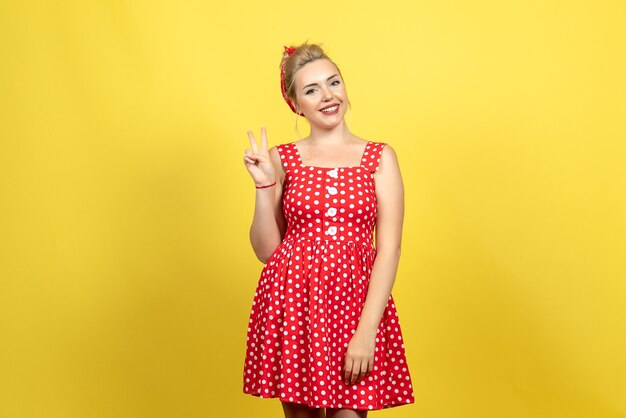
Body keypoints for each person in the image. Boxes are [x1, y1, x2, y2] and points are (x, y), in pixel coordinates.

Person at [242, 42, 415, 418]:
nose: (327, 96)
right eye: (311, 90)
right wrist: (263, 186)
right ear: (295, 104)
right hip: (296, 305)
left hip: (356, 308)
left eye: (333, 82)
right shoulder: (282, 158)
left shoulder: (379, 157)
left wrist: (367, 330)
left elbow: (389, 248)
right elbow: (267, 252)